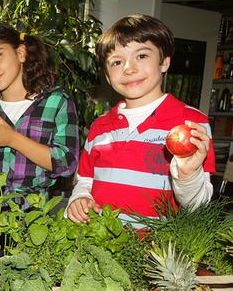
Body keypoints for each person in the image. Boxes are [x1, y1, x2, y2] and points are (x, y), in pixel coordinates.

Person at [66, 14, 215, 225]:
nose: (129, 68)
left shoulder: (191, 123)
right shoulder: (99, 126)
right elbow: (85, 180)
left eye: (142, 56)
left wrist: (188, 174)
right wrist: (80, 198)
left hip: (155, 251)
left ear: (164, 62)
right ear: (107, 77)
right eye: (117, 62)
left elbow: (197, 207)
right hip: (100, 246)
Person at [0, 21, 79, 200]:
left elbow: (67, 164)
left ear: (20, 53)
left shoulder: (56, 102)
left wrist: (12, 139)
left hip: (37, 217)